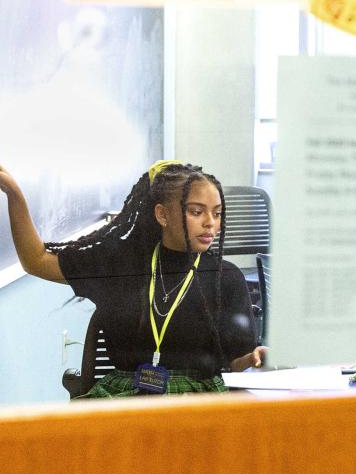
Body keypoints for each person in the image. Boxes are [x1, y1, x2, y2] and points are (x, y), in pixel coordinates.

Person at [0, 159, 267, 397]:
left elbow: (236, 360)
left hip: (198, 400)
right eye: (196, 212)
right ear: (163, 214)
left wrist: (254, 358)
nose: (211, 223)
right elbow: (36, 261)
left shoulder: (226, 277)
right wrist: (14, 195)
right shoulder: (120, 263)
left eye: (217, 213)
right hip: (126, 396)